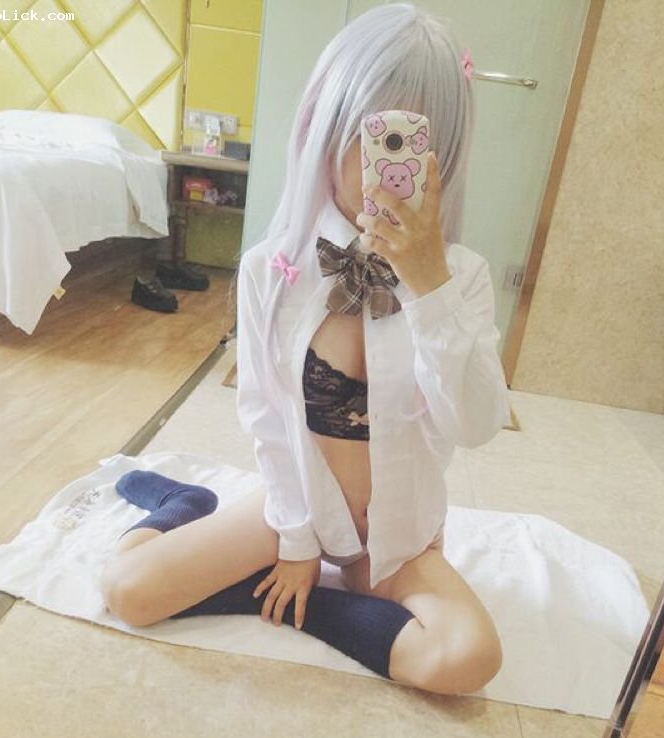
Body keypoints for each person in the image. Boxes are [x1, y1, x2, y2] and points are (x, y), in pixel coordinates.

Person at [100, 3, 511, 695]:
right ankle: (183, 503)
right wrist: (295, 544)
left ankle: (305, 608)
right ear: (328, 126)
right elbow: (264, 415)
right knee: (129, 591)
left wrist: (429, 287)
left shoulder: (461, 278)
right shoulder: (273, 268)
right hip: (297, 509)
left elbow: (474, 426)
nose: (386, 168)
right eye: (372, 134)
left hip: (393, 533)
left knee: (466, 658)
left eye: (411, 143)